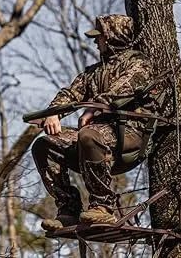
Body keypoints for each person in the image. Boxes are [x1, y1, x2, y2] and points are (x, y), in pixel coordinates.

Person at [32, 14, 157, 231]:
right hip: (96, 134)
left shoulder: (139, 64)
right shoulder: (93, 72)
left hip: (129, 133)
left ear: (111, 37)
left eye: (99, 37)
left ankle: (103, 207)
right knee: (44, 145)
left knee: (88, 135)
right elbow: (70, 93)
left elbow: (122, 90)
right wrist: (53, 113)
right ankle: (68, 210)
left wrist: (93, 108)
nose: (95, 41)